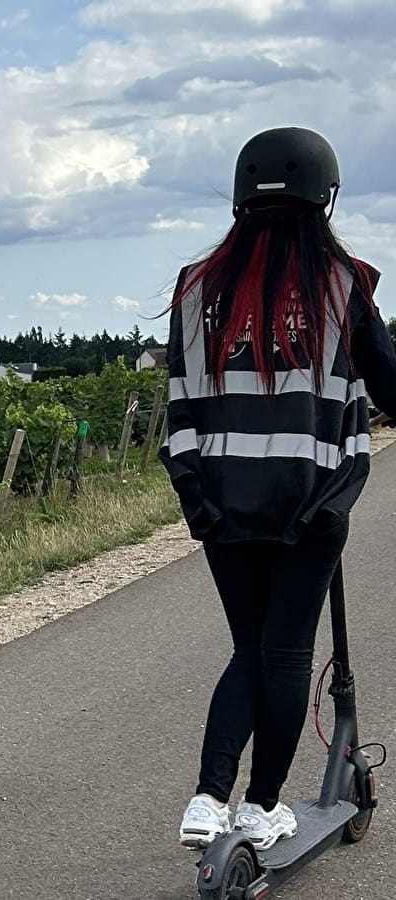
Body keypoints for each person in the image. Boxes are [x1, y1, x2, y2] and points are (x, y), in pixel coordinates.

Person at [161, 127, 396, 852]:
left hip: (221, 497)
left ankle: (207, 801)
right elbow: (387, 381)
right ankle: (262, 808)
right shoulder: (343, 280)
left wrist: (197, 499)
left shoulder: (196, 284)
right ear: (325, 196)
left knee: (248, 650)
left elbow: (179, 395)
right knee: (288, 654)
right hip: (310, 500)